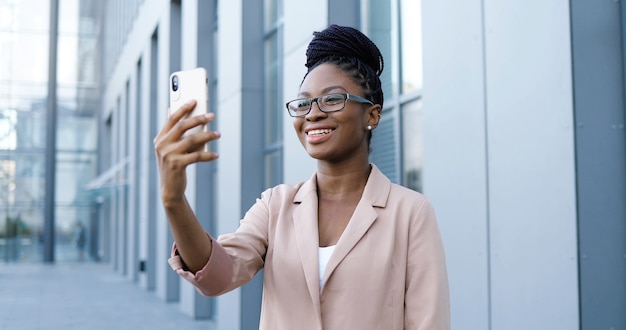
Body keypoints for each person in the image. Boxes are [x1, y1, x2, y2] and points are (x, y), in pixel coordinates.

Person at [154, 24, 450, 329]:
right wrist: (173, 200)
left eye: (332, 99)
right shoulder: (275, 206)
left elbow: (428, 322)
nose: (312, 114)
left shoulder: (411, 213)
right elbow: (215, 277)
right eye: (303, 103)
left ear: (372, 115)